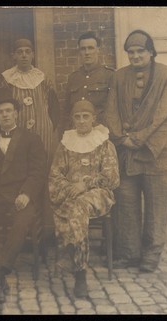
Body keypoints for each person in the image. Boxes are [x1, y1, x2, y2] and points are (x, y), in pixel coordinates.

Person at [105, 30, 167, 273]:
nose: (135, 56)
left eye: (140, 51)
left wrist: (137, 138)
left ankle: (151, 254)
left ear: (151, 52)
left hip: (158, 153)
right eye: (131, 52)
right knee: (126, 205)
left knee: (156, 208)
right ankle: (129, 253)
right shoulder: (118, 77)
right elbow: (110, 112)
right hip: (127, 153)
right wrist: (121, 138)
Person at [0, 89, 47, 303]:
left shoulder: (31, 139)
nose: (5, 115)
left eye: (8, 111)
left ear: (16, 114)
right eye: (0, 112)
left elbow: (38, 172)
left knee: (21, 224)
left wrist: (27, 193)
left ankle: (1, 272)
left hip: (21, 194)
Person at [49, 100, 119, 298]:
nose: (81, 121)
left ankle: (78, 271)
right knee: (72, 206)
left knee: (77, 206)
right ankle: (76, 260)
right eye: (77, 117)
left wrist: (85, 185)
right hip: (71, 193)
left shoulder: (104, 144)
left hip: (98, 194)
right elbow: (55, 175)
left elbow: (112, 178)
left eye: (85, 116)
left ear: (93, 118)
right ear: (72, 120)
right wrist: (69, 187)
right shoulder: (65, 145)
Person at [0, 38, 59, 157]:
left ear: (33, 55)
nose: (24, 55)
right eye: (20, 52)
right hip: (18, 129)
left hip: (42, 130)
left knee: (42, 158)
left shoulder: (43, 79)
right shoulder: (7, 79)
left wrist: (49, 126)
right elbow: (3, 106)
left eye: (27, 52)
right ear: (14, 56)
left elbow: (54, 107)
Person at [64, 31, 115, 135]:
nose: (87, 52)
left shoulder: (109, 75)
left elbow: (114, 111)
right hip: (77, 133)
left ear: (98, 50)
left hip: (101, 133)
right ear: (79, 52)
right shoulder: (73, 78)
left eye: (91, 48)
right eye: (83, 49)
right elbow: (67, 110)